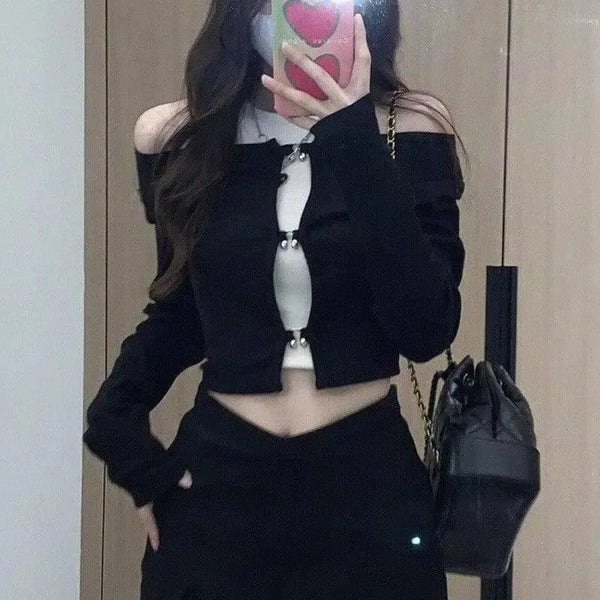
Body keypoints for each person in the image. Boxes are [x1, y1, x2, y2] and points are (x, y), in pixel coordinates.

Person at [83, 1, 468, 598]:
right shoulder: (179, 137)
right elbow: (183, 311)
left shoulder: (411, 127)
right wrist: (116, 424)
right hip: (218, 491)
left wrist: (352, 137)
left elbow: (425, 328)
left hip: (368, 491)